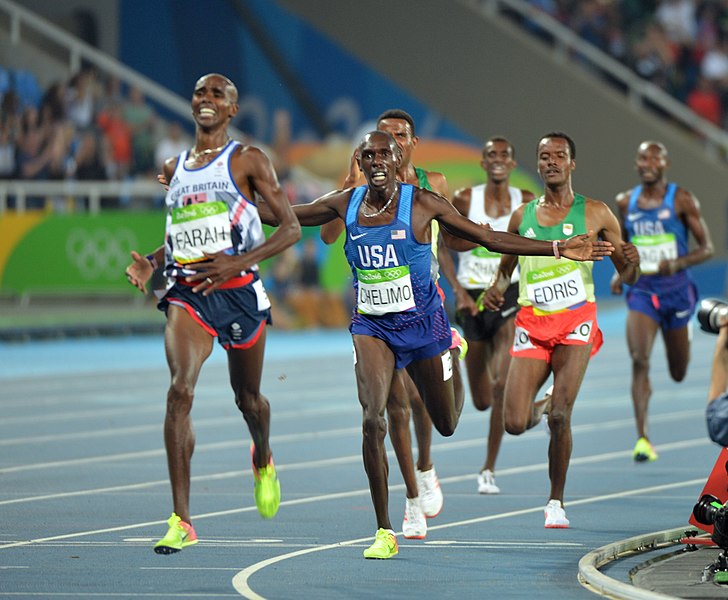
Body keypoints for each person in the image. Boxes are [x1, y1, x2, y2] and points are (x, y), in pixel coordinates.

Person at [262, 130, 612, 558]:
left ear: (397, 160)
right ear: (360, 160)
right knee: (374, 419)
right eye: (367, 155)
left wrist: (557, 247)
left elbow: (490, 239)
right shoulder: (343, 202)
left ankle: (452, 349)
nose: (375, 161)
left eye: (383, 154)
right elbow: (284, 215)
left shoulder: (422, 203)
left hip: (424, 327)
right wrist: (236, 206)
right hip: (372, 327)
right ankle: (384, 530)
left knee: (445, 422)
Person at [124, 73, 301, 554]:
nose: (206, 99)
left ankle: (262, 456)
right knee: (179, 392)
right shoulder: (174, 166)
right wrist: (154, 262)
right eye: (200, 92)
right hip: (189, 294)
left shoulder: (247, 160)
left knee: (250, 401)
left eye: (217, 94)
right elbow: (187, 229)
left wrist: (238, 263)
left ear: (232, 109)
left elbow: (289, 231)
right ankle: (182, 519)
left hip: (240, 293)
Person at [481, 131, 639, 529]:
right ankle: (545, 403)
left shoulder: (597, 213)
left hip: (576, 321)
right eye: (544, 156)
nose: (551, 161)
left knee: (561, 418)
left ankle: (556, 501)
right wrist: (496, 290)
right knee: (514, 422)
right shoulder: (523, 216)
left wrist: (632, 263)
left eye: (559, 156)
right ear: (538, 164)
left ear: (572, 164)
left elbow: (627, 274)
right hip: (533, 323)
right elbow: (507, 264)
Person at [320, 109, 450, 540]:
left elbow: (453, 242)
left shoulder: (433, 185)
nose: (384, 148)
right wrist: (345, 187)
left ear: (408, 146)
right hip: (375, 318)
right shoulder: (359, 187)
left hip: (426, 304)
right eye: (375, 144)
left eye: (396, 138)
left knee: (426, 404)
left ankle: (426, 464)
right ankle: (411, 499)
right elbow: (324, 235)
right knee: (389, 407)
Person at [610, 141, 713, 463]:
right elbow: (623, 244)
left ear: (665, 163)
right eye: (642, 157)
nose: (648, 162)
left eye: (655, 157)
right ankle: (642, 437)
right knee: (640, 359)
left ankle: (682, 333)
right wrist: (621, 272)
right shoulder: (625, 202)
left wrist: (678, 263)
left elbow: (707, 248)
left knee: (678, 371)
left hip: (677, 292)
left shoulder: (682, 199)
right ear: (636, 163)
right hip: (642, 290)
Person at [448, 136, 535, 495]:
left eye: (505, 154)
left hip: (508, 296)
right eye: (491, 155)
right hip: (471, 299)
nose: (498, 160)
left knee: (501, 384)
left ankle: (488, 468)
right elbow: (443, 244)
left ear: (513, 163)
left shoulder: (525, 202)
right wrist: (457, 291)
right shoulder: (465, 199)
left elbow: (530, 248)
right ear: (483, 162)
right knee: (482, 400)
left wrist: (511, 286)